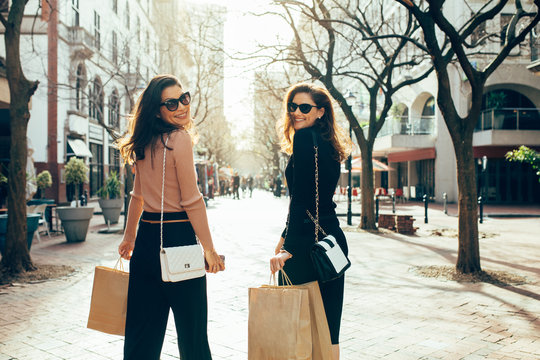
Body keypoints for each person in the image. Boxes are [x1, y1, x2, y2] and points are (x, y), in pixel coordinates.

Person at [117, 74, 225, 360]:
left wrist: (130, 237)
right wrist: (210, 250)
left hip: (147, 241)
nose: (181, 106)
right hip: (178, 239)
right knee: (192, 336)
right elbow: (192, 200)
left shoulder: (143, 142)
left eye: (184, 98)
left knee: (141, 335)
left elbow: (137, 196)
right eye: (171, 102)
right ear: (157, 109)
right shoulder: (179, 139)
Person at [269, 83, 352, 360]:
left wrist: (287, 246)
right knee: (329, 328)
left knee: (295, 326)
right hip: (332, 242)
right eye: (292, 106)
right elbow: (315, 198)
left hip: (306, 244)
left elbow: (301, 200)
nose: (296, 112)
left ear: (320, 111)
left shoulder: (305, 140)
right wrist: (284, 234)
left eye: (304, 107)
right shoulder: (329, 144)